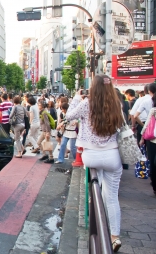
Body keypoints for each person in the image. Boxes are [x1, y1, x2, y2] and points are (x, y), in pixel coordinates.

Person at [65, 75, 124, 252]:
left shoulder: (86, 103)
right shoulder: (116, 104)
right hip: (112, 154)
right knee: (111, 197)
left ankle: (97, 222)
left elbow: (69, 116)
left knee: (95, 188)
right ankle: (114, 236)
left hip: (91, 156)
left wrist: (76, 98)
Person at [140, 92, 156, 196]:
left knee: (153, 163)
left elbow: (147, 125)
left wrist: (142, 138)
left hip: (153, 140)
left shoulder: (154, 110)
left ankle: (155, 185)